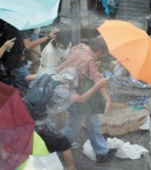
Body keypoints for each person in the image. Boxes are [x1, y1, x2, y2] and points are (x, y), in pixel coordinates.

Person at [24, 67, 109, 170]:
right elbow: (82, 99)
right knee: (65, 144)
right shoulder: (62, 90)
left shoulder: (47, 75)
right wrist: (97, 86)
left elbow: (27, 77)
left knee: (34, 144)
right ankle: (71, 167)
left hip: (23, 114)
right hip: (39, 124)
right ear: (68, 84)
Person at [57, 35, 115, 163]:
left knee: (93, 121)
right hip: (74, 94)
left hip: (72, 89)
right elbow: (98, 83)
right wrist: (109, 100)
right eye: (103, 53)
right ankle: (54, 153)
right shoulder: (90, 60)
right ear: (99, 50)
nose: (103, 56)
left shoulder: (80, 47)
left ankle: (102, 152)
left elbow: (69, 56)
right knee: (72, 127)